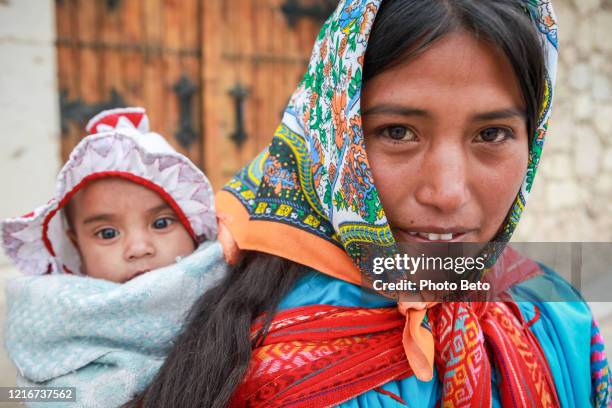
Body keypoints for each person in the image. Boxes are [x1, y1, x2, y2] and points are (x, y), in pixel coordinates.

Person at [133, 0, 612, 407]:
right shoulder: (239, 352)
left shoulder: (558, 319)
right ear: (333, 137)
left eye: (491, 134)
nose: (446, 193)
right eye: (397, 132)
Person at [1, 107, 226, 407]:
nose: (138, 248)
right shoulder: (55, 318)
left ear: (193, 229)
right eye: (108, 233)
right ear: (76, 247)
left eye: (161, 223)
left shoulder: (228, 295)